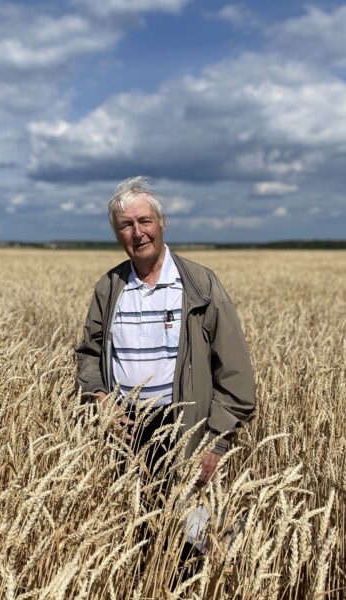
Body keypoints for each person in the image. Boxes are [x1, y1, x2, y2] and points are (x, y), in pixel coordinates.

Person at [75, 176, 256, 487]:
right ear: (117, 234)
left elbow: (234, 370)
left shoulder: (199, 285)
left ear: (161, 223)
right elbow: (89, 354)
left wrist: (216, 441)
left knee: (188, 533)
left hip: (186, 434)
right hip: (123, 435)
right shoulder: (109, 287)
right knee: (130, 531)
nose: (137, 232)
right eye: (126, 225)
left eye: (144, 220)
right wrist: (102, 399)